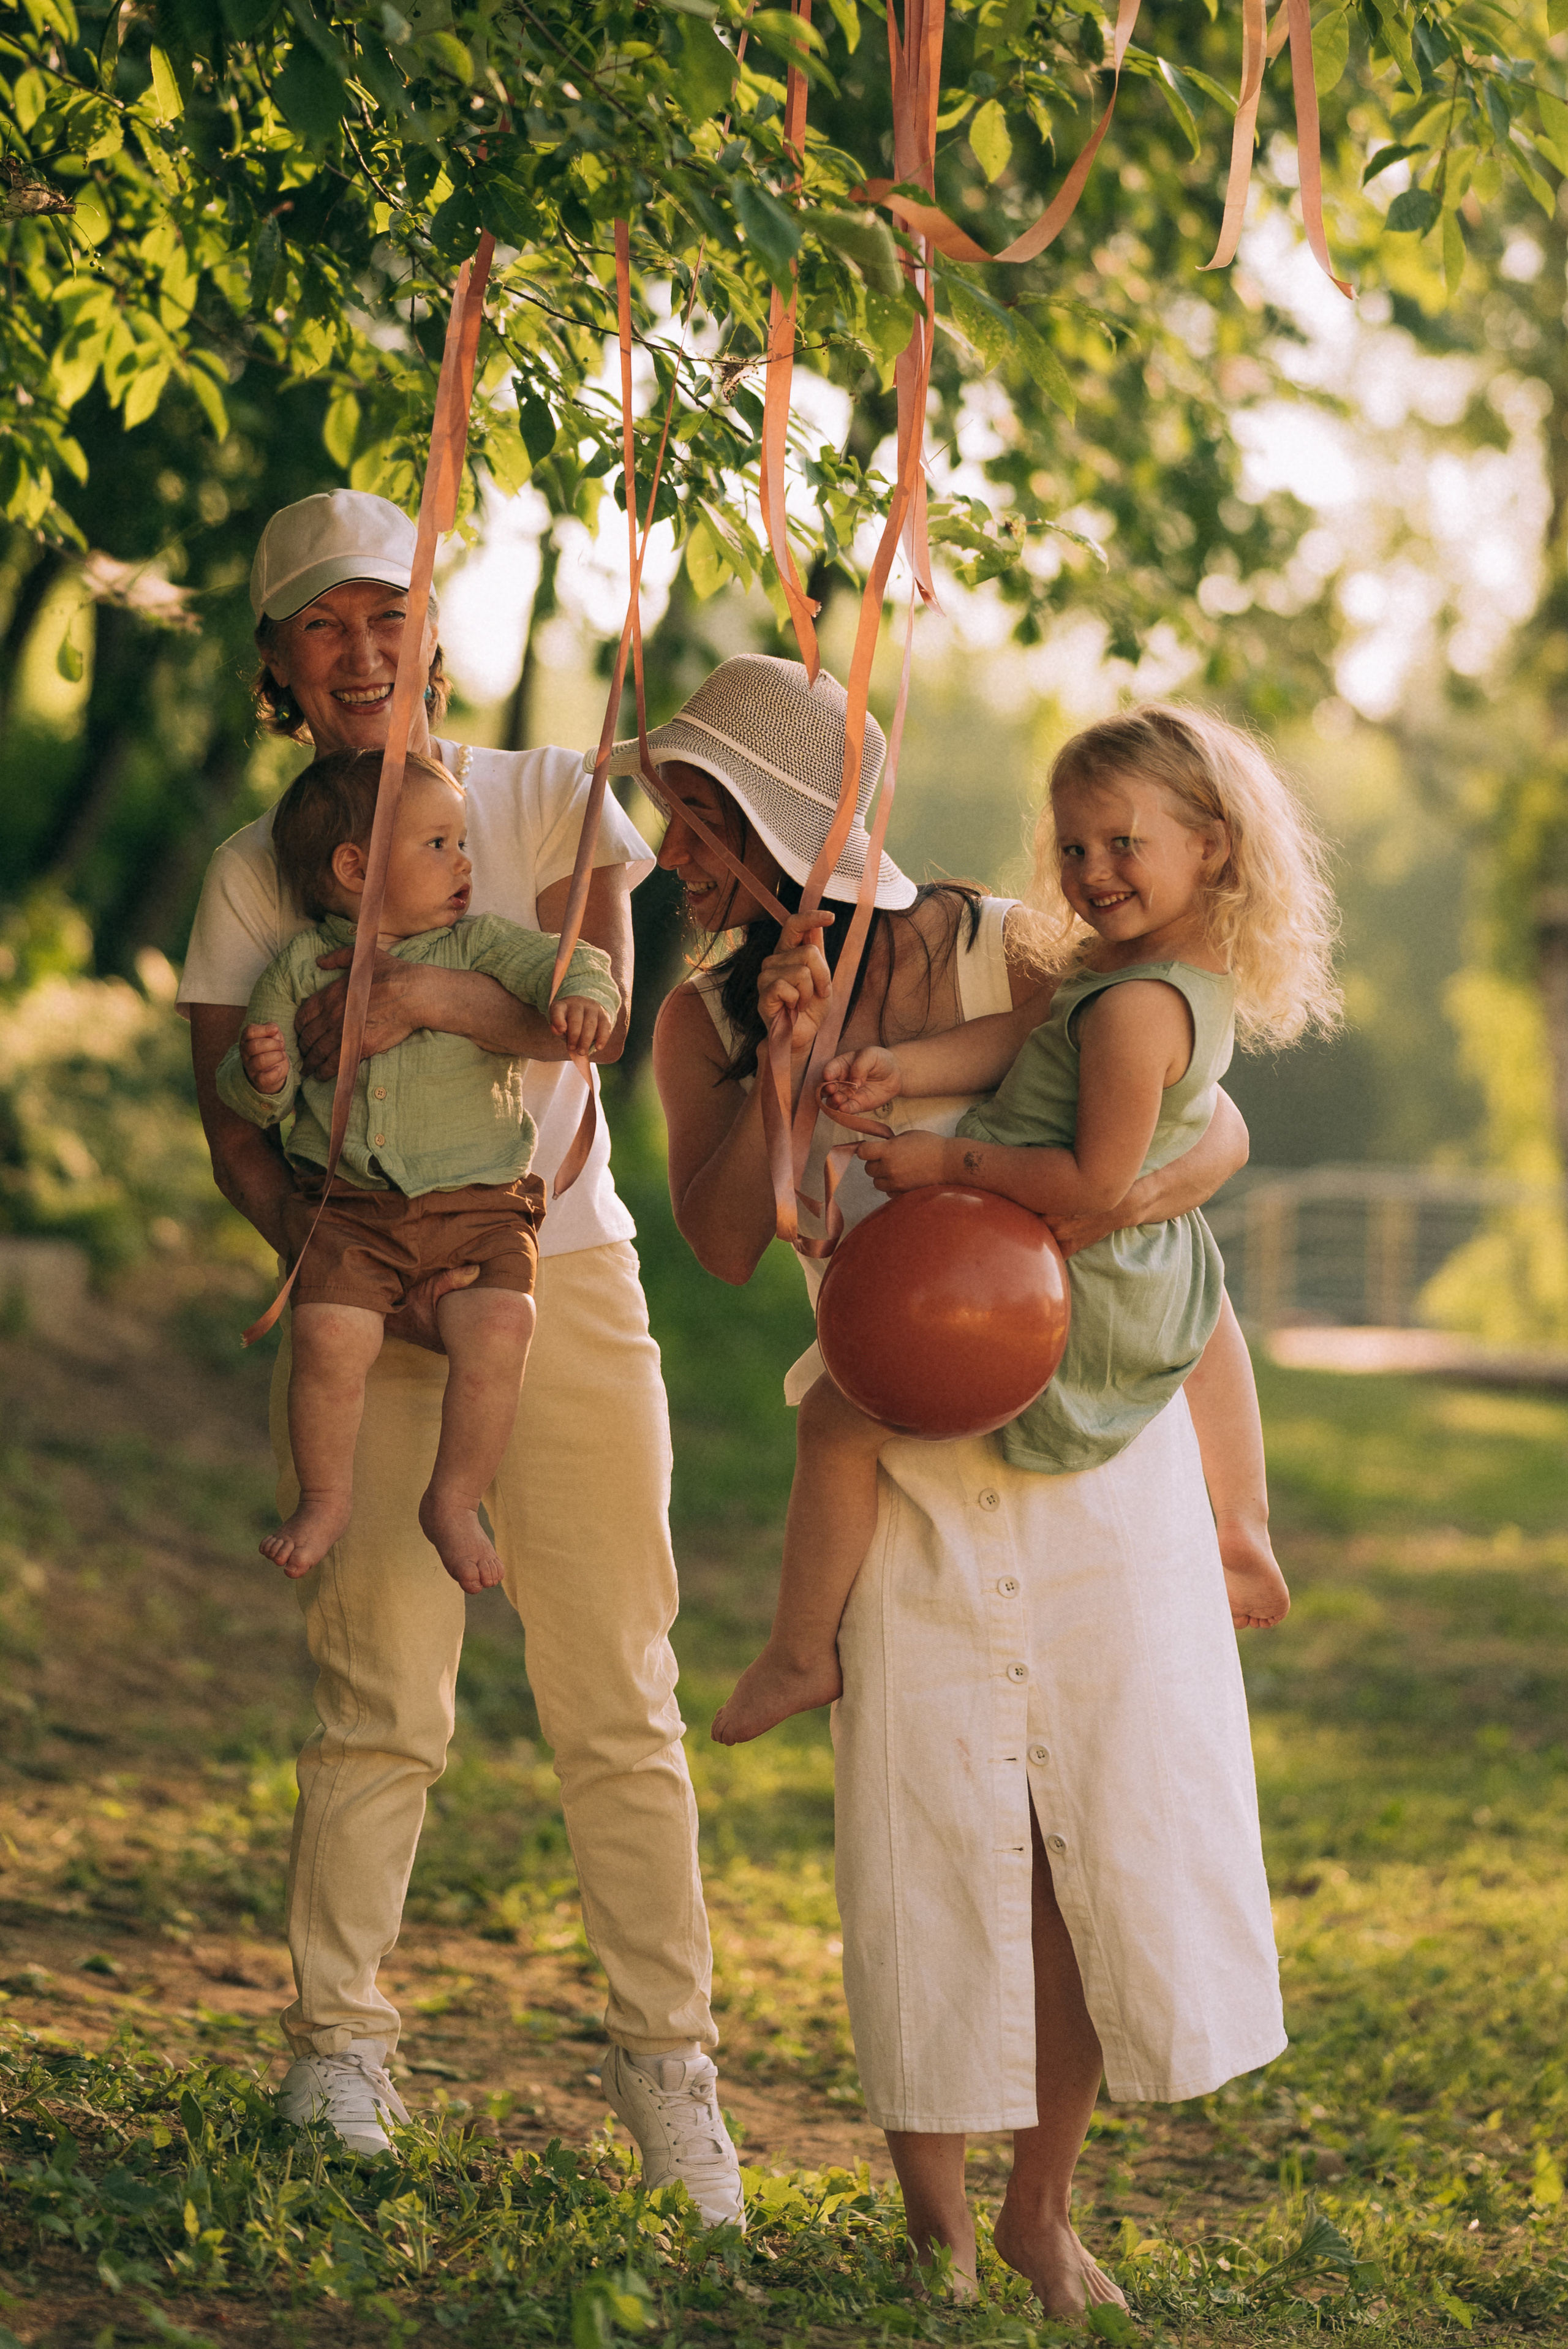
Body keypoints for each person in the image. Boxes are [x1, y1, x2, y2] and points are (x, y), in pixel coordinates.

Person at [643, 654, 1289, 2315]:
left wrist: (1128, 1189)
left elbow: (1197, 1124)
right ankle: (936, 2224)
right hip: (896, 1447)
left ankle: (1041, 2206)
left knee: (1083, 1832)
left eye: (701, 817)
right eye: (668, 816)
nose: (673, 855)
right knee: (928, 1834)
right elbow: (726, 1241)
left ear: (791, 818)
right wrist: (786, 1062)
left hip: (1083, 1439)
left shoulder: (1020, 940)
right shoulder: (701, 1012)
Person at [180, 489, 742, 2221]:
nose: (362, 650)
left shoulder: (546, 795)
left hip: (553, 1276)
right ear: (280, 658)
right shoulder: (258, 861)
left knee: (620, 1694)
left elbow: (591, 1001)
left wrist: (419, 1001)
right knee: (377, 1696)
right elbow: (233, 1114)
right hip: (365, 1288)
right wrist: (337, 1256)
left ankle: (672, 2077)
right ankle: (340, 2041)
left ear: (436, 630)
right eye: (322, 624)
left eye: (387, 614)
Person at [712, 703, 1333, 1745]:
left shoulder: (1137, 1010)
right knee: (1203, 1304)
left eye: (1124, 843)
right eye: (1078, 846)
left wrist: (941, 1161)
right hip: (1150, 1274)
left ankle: (799, 1649)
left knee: (837, 1416)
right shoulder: (1134, 974)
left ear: (1210, 847)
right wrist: (903, 1070)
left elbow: (1093, 1184)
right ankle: (1243, 1525)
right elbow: (1017, 1035)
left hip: (1068, 1288)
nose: (1096, 870)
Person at [216, 747, 619, 1589]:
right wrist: (261, 1073)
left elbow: (574, 963)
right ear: (355, 868)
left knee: (502, 1325)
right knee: (330, 1334)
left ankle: (455, 1499)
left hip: (484, 1205)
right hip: (352, 1209)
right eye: (438, 845)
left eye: (462, 841)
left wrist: (586, 994)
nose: (465, 862)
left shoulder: (479, 947)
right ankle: (325, 1498)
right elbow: (260, 1107)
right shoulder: (299, 970)